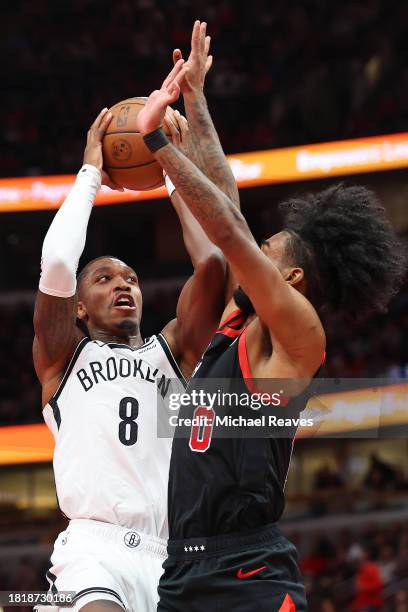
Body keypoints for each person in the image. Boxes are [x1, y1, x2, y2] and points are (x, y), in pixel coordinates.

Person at [134, 20, 406, 611]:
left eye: (269, 248)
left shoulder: (299, 335)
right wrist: (198, 96)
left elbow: (229, 231)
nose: (258, 249)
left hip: (248, 572)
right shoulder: (243, 319)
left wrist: (157, 144)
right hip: (183, 568)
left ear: (291, 280)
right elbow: (227, 197)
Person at [32, 98, 237, 611]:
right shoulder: (62, 358)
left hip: (172, 559)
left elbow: (214, 260)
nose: (123, 285)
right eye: (104, 278)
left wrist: (171, 166)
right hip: (93, 549)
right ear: (78, 307)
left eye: (131, 278)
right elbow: (57, 259)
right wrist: (90, 174)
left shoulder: (176, 350)